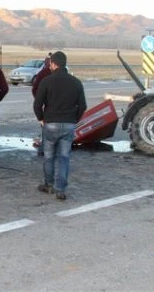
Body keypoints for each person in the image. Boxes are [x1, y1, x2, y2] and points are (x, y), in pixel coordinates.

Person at [33, 51, 86, 200]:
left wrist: (41, 119)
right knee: (64, 158)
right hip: (68, 124)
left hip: (50, 124)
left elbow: (37, 104)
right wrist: (74, 120)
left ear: (54, 64)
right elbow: (82, 106)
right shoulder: (76, 82)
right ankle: (60, 189)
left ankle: (48, 185)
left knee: (49, 157)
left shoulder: (47, 81)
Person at [31, 52, 53, 157]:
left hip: (47, 107)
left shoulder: (43, 73)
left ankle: (44, 150)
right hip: (56, 107)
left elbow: (35, 89)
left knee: (46, 129)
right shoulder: (44, 73)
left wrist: (39, 100)